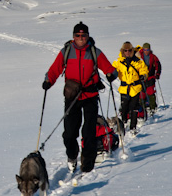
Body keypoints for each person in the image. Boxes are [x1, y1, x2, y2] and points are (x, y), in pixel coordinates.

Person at [42, 22, 117, 173]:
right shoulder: (66, 51)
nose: (81, 38)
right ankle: (72, 155)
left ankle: (87, 164)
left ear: (88, 36)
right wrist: (48, 81)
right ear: (73, 37)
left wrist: (110, 75)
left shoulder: (95, 52)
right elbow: (55, 69)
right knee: (69, 133)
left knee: (89, 131)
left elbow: (110, 69)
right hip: (72, 96)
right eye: (78, 35)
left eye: (83, 35)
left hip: (90, 95)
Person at [112, 42, 149, 134]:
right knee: (124, 107)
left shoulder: (138, 61)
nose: (127, 52)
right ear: (123, 51)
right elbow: (112, 69)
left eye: (129, 50)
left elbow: (144, 70)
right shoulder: (118, 62)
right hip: (124, 88)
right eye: (125, 50)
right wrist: (111, 75)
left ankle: (133, 126)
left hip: (135, 88)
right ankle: (124, 122)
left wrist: (143, 76)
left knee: (134, 107)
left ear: (132, 51)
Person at [138, 42, 162, 115]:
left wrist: (157, 74)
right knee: (142, 93)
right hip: (141, 77)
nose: (146, 51)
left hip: (150, 77)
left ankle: (153, 107)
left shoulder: (153, 57)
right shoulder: (139, 56)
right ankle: (143, 108)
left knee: (150, 92)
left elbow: (158, 65)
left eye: (147, 49)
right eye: (144, 49)